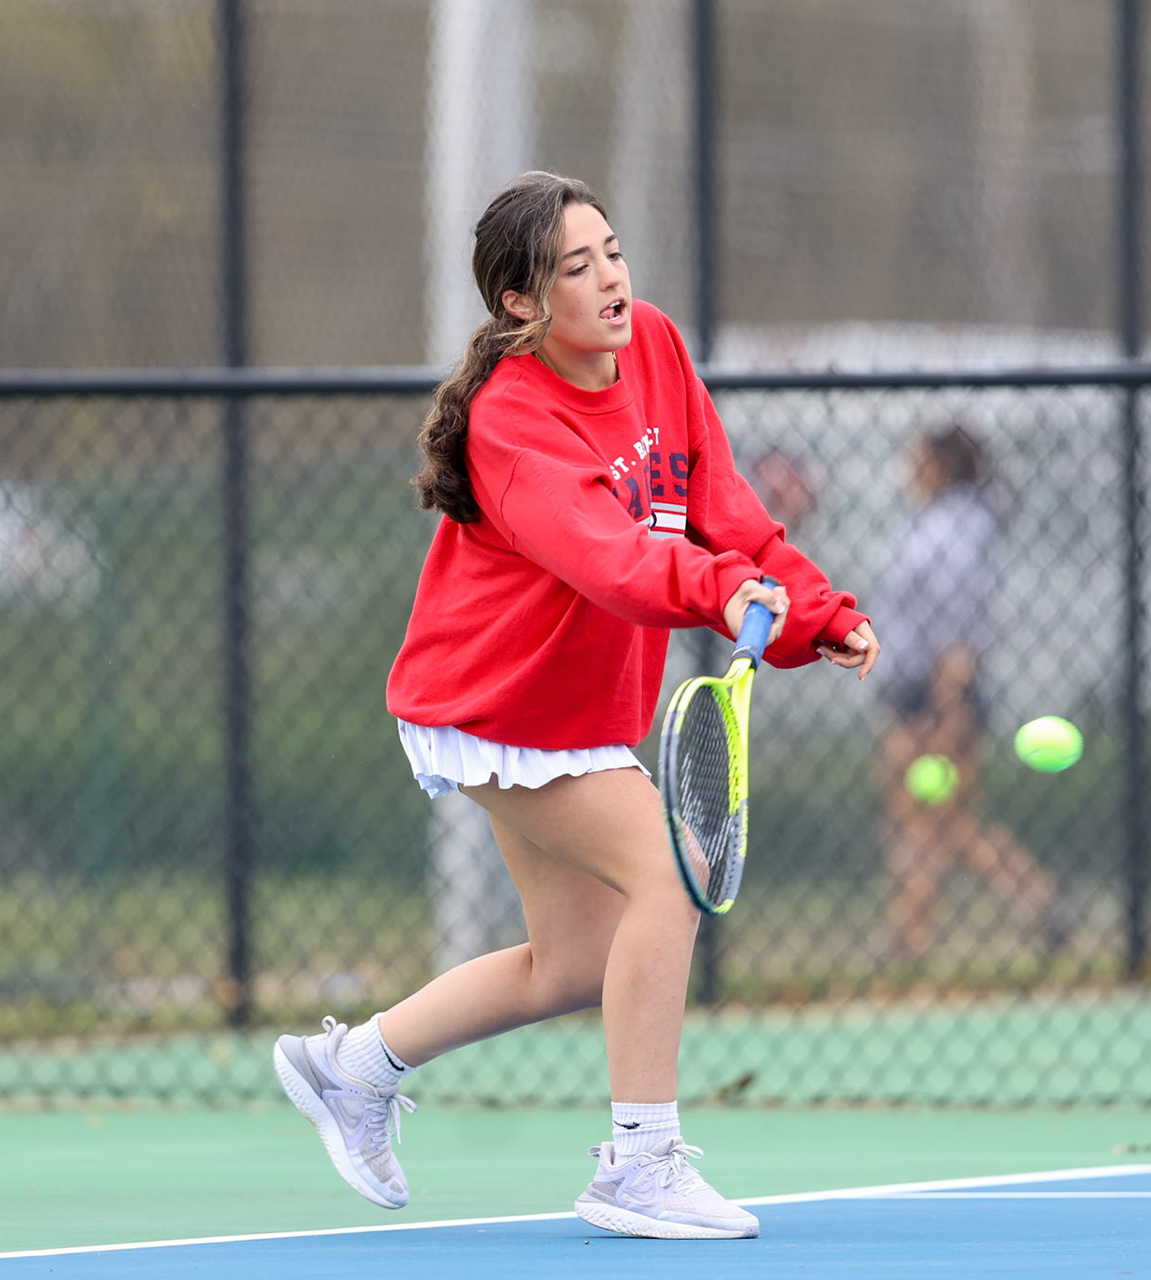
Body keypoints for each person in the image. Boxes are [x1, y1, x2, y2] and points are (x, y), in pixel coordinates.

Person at [273, 171, 879, 1241]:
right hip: (493, 704)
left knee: (579, 963)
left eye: (612, 250)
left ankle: (349, 1064)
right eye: (576, 265)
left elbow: (722, 511)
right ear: (521, 303)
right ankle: (639, 1161)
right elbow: (611, 558)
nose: (610, 277)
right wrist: (717, 588)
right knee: (668, 878)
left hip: (572, 713)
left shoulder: (653, 346)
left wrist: (815, 613)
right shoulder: (513, 421)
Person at [869, 425, 1060, 957]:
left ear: (941, 466)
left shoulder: (952, 530)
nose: (909, 467)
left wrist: (948, 706)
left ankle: (913, 939)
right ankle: (1031, 900)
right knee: (936, 822)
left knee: (924, 820)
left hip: (930, 696)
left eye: (919, 457)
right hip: (917, 693)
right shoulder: (943, 523)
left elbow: (958, 626)